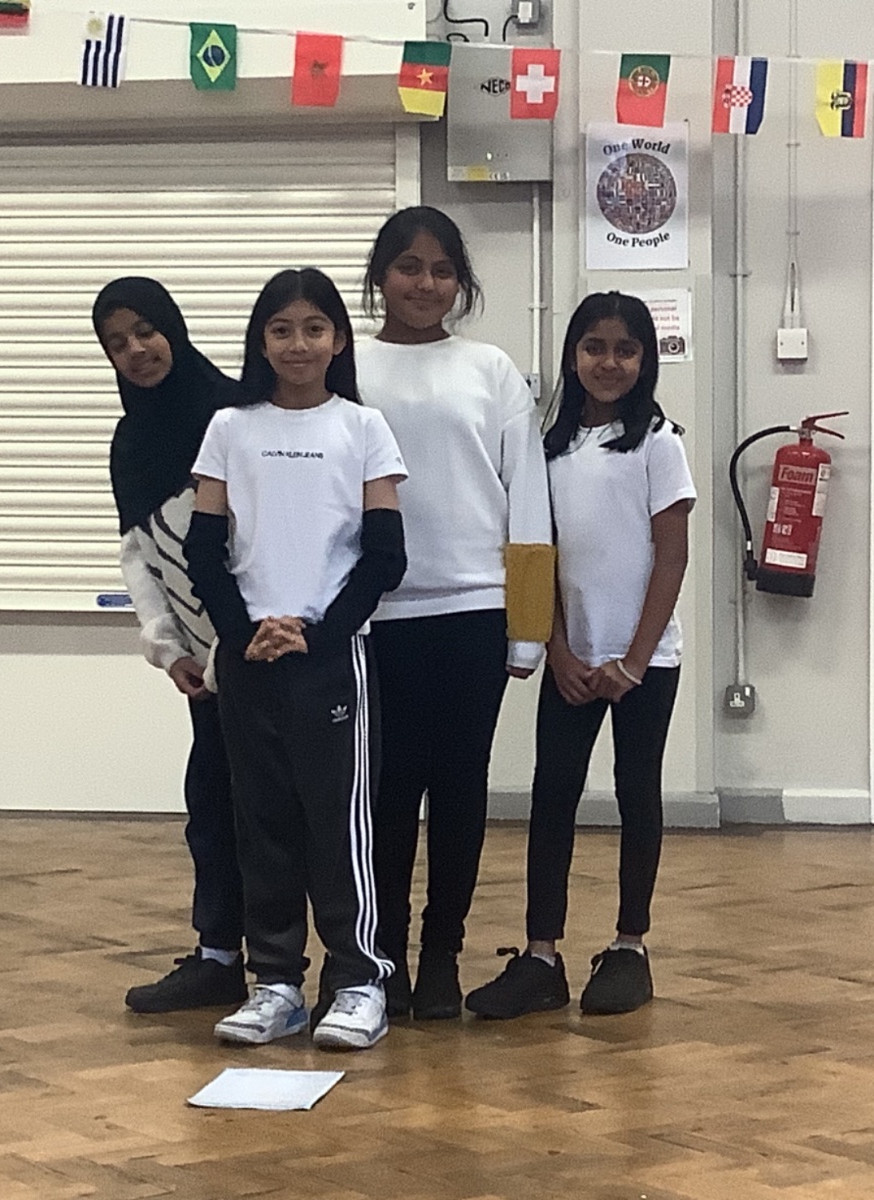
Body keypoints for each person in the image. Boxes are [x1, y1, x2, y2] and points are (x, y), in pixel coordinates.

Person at [184, 268, 408, 1050]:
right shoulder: (229, 427)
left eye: (314, 328)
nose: (298, 344)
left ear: (338, 339)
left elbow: (385, 555)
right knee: (261, 823)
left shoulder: (364, 427)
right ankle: (276, 984)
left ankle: (359, 981)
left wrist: (319, 632)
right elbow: (204, 548)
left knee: (336, 825)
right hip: (248, 655)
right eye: (281, 329)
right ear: (261, 341)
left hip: (330, 656)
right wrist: (242, 630)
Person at [465, 291, 693, 1020]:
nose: (609, 362)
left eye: (626, 349)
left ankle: (629, 944)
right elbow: (543, 555)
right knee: (553, 795)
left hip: (644, 664)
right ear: (572, 355)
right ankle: (541, 955)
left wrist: (633, 661)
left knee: (636, 792)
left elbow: (671, 558)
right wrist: (557, 648)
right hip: (572, 659)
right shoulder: (550, 448)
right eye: (595, 347)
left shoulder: (657, 442)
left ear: (645, 360)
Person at [352, 206, 553, 1021]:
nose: (425, 284)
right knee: (388, 793)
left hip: (474, 610)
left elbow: (527, 495)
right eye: (409, 267)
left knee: (460, 789)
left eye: (442, 270)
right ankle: (385, 955)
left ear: (460, 284)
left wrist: (529, 628)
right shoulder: (348, 367)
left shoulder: (490, 369)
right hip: (377, 615)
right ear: (380, 277)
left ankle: (442, 955)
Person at [93, 277, 248, 1016]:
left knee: (284, 812)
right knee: (211, 806)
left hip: (265, 649)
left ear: (173, 330)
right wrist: (167, 648)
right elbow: (139, 555)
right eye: (117, 343)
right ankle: (219, 957)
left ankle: (309, 964)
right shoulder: (129, 444)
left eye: (146, 331)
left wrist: (235, 642)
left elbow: (261, 539)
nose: (136, 350)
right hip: (203, 666)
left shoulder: (233, 417)